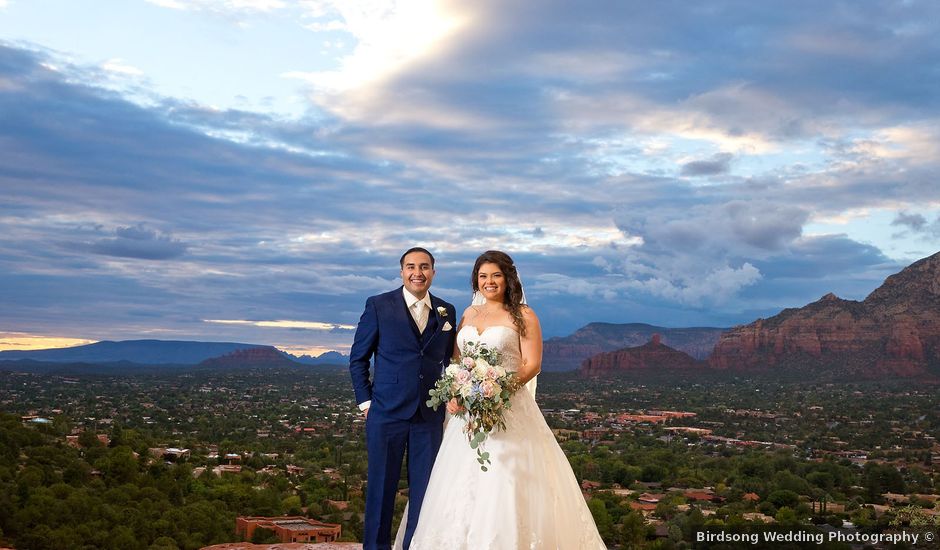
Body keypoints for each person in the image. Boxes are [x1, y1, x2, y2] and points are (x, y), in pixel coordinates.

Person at [395, 250, 606, 549]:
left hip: (507, 409)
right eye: (483, 276)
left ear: (508, 279)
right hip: (466, 417)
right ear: (475, 281)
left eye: (496, 275)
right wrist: (456, 393)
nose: (489, 282)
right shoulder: (468, 314)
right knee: (456, 485)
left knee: (503, 478)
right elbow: (457, 360)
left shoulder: (524, 314)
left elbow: (532, 364)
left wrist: (496, 393)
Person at [349, 247, 458, 550]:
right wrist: (367, 404)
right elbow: (358, 359)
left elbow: (451, 362)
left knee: (426, 493)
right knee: (382, 489)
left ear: (433, 272)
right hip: (386, 413)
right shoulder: (379, 306)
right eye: (411, 267)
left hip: (429, 415)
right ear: (401, 272)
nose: (417, 273)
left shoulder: (446, 310)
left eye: (424, 267)